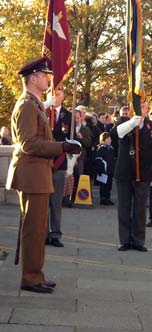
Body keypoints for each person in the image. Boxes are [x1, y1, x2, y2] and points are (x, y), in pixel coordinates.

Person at [5, 57, 81, 293]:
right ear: (34, 78)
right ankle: (30, 277)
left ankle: (36, 274)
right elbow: (29, 144)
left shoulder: (34, 104)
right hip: (32, 175)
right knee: (34, 229)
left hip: (37, 174)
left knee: (38, 229)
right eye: (45, 75)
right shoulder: (27, 105)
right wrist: (62, 147)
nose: (49, 78)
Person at [111, 101, 152, 252]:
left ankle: (139, 240)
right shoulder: (123, 122)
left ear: (147, 110)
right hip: (124, 172)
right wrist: (130, 124)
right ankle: (125, 240)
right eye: (139, 106)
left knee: (140, 209)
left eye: (144, 107)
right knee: (124, 207)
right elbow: (115, 135)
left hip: (144, 173)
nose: (142, 109)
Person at [46, 87, 72, 248]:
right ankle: (42, 233)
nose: (55, 97)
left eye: (58, 95)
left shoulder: (68, 116)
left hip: (60, 162)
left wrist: (70, 163)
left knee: (56, 201)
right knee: (43, 201)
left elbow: (71, 140)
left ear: (63, 97)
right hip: (43, 160)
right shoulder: (43, 112)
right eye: (53, 94)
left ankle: (55, 234)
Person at [95, 132, 115, 205]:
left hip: (109, 170)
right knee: (103, 186)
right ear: (103, 140)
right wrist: (100, 169)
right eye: (108, 139)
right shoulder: (101, 148)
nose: (110, 140)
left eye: (110, 138)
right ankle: (103, 198)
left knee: (109, 185)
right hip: (103, 171)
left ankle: (108, 198)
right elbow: (98, 159)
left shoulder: (111, 148)